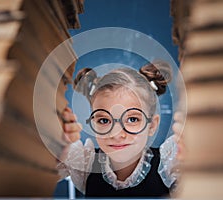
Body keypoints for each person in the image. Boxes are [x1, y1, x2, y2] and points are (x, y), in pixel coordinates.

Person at [57, 60, 182, 198]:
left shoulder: (168, 165)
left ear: (152, 125)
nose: (116, 134)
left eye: (132, 119)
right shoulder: (84, 165)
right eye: (104, 120)